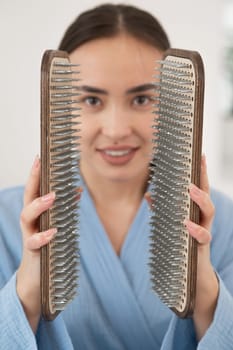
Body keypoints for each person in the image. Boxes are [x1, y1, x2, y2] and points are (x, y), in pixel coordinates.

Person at [1, 3, 233, 350]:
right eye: (92, 100)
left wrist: (204, 293)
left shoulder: (221, 221)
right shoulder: (6, 221)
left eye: (141, 99)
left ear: (172, 101)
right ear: (62, 102)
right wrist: (28, 293)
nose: (116, 129)